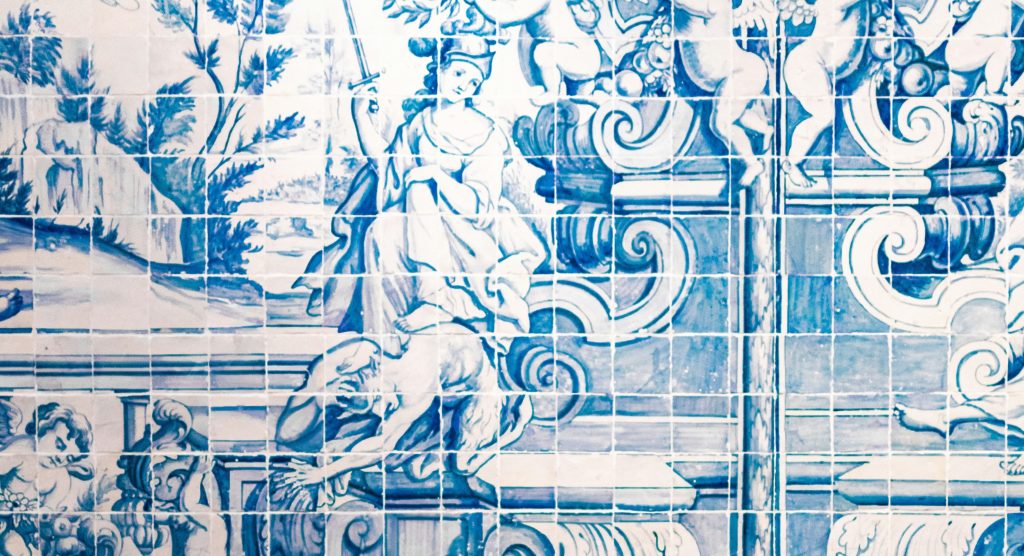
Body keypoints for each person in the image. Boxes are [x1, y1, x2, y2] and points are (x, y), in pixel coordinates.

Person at [295, 35, 547, 358]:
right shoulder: (419, 125)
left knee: (418, 187)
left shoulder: (485, 134)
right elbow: (388, 169)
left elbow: (480, 206)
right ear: (440, 69)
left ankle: (437, 295)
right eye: (458, 73)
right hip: (419, 229)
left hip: (468, 238)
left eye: (473, 81)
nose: (464, 85)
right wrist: (360, 115)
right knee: (380, 231)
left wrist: (436, 177)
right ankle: (383, 342)